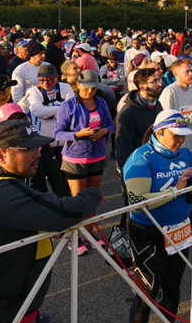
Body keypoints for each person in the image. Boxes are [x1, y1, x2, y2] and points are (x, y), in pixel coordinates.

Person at [0, 120, 101, 323]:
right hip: (0, 305)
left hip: (12, 298)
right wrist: (91, 195)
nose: (38, 154)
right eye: (29, 149)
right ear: (0, 155)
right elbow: (61, 213)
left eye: (38, 147)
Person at [123, 110, 192, 323]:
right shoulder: (140, 158)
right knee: (147, 290)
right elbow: (136, 202)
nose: (180, 140)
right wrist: (175, 190)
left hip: (181, 227)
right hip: (148, 231)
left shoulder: (185, 154)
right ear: (159, 133)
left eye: (182, 135)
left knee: (172, 284)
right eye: (175, 135)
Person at [55, 70, 114, 255]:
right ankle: (75, 238)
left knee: (93, 198)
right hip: (75, 158)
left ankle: (89, 234)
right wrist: (77, 135)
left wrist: (103, 132)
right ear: (78, 85)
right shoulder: (68, 105)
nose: (90, 91)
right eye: (86, 87)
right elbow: (58, 133)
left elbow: (111, 124)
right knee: (78, 201)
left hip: (97, 155)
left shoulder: (101, 102)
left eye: (93, 88)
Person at [20, 63, 74, 196]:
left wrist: (53, 111)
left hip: (64, 140)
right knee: (45, 177)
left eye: (51, 79)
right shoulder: (33, 91)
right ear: (38, 80)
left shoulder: (64, 87)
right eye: (42, 80)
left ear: (57, 78)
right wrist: (62, 109)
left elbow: (73, 107)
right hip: (44, 142)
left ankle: (67, 201)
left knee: (66, 175)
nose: (47, 83)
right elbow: (39, 111)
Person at [159, 59, 192, 154]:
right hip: (174, 147)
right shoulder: (169, 92)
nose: (191, 74)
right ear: (176, 75)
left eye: (191, 71)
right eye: (187, 72)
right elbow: (167, 123)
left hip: (190, 145)